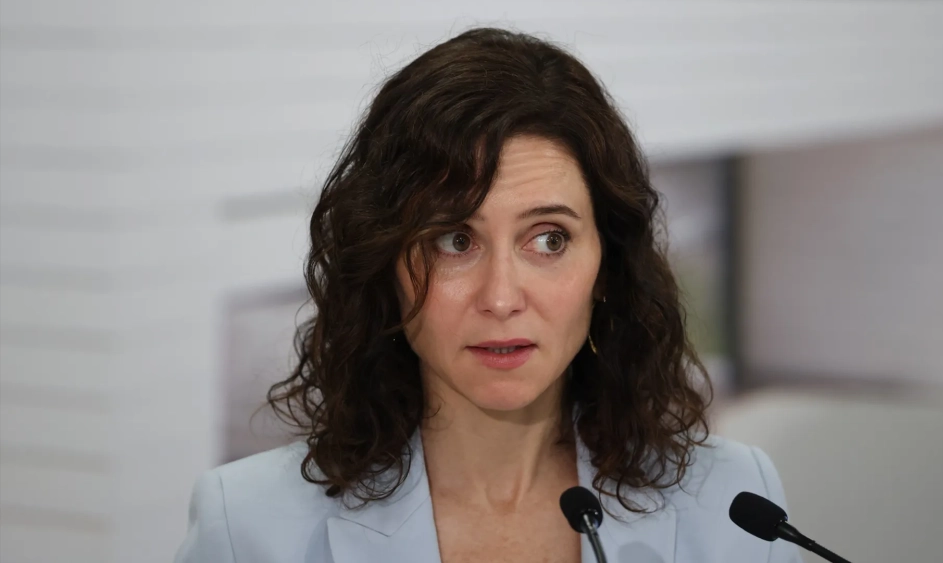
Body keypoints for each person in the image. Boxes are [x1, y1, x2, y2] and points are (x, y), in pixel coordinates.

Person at [175, 27, 803, 563]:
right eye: (455, 240)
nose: (501, 298)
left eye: (549, 239)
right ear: (385, 262)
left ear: (607, 267)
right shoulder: (247, 526)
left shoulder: (735, 504)